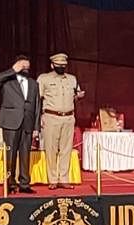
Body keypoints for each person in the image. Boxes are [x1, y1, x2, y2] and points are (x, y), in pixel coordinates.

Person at [0, 55, 42, 194]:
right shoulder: (8, 81)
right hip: (11, 122)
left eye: (27, 67)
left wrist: (36, 127)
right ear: (16, 66)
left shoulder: (33, 84)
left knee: (25, 153)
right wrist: (12, 70)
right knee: (11, 153)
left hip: (27, 122)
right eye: (22, 66)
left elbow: (37, 106)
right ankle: (10, 183)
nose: (25, 69)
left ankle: (24, 183)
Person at [37, 53, 83, 190]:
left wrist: (78, 96)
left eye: (63, 66)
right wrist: (38, 119)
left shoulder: (72, 79)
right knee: (51, 149)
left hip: (68, 117)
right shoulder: (44, 79)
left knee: (66, 149)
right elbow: (37, 99)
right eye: (58, 66)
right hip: (51, 117)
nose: (61, 67)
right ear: (52, 65)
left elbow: (76, 94)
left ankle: (64, 178)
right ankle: (52, 179)